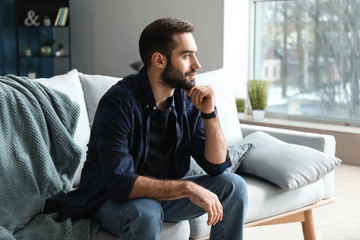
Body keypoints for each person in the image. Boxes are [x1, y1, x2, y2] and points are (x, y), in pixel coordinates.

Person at [44, 17, 248, 240]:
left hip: (164, 195)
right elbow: (120, 183)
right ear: (159, 60)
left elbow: (217, 166)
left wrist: (209, 113)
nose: (197, 64)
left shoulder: (186, 100)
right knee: (148, 212)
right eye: (187, 55)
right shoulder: (118, 103)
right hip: (109, 198)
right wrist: (187, 188)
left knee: (234, 186)